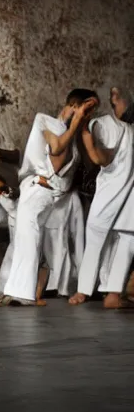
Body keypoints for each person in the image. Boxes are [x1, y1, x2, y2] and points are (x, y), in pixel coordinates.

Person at [0, 89, 98, 305]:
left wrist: (79, 129)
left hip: (50, 195)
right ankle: (19, 293)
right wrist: (76, 123)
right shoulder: (44, 121)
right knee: (27, 239)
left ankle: (16, 292)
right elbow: (56, 149)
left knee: (30, 240)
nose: (88, 115)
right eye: (87, 109)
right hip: (35, 187)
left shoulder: (73, 139)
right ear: (74, 106)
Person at [70, 87, 134, 308]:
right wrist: (87, 136)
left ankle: (112, 293)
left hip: (129, 193)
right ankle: (86, 290)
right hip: (111, 192)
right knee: (100, 238)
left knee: (126, 240)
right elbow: (101, 159)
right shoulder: (106, 124)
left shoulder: (128, 128)